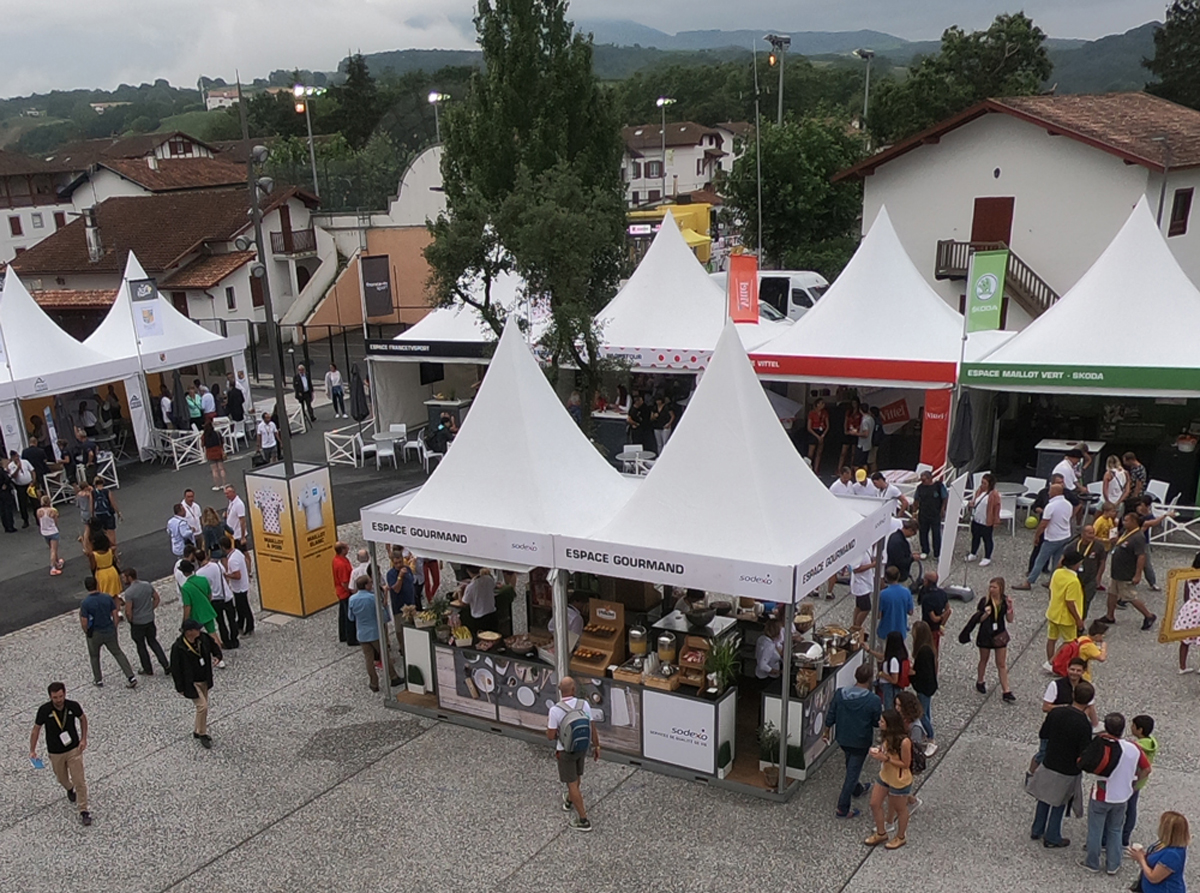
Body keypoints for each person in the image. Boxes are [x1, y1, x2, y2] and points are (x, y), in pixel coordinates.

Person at [1028, 680, 1095, 849]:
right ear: (1089, 701)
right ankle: (1052, 836)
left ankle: (1037, 829)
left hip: (1050, 761)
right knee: (1059, 802)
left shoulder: (1056, 713)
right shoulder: (1084, 724)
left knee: (1043, 797)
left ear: (1073, 695)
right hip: (1068, 769)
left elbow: (1043, 734)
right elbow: (1084, 751)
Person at [1083, 712, 1151, 875]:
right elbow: (1147, 768)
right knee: (1115, 829)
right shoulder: (1134, 747)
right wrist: (1134, 783)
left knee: (1095, 829)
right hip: (1123, 796)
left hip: (1102, 793)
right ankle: (1113, 864)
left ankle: (1092, 862)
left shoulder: (1103, 745)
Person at [824, 662, 883, 818]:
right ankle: (842, 808)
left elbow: (831, 714)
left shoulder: (840, 694)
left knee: (851, 764)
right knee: (852, 773)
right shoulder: (873, 700)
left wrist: (826, 730)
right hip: (860, 741)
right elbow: (877, 721)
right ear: (870, 679)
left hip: (843, 738)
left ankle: (858, 789)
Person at [29, 682, 92, 826]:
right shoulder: (44, 710)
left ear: (65, 694)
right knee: (61, 778)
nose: (58, 700)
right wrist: (32, 750)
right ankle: (69, 788)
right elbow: (36, 730)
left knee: (79, 781)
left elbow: (83, 718)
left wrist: (83, 738)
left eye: (61, 696)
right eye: (55, 697)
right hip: (55, 752)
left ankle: (84, 810)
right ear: (50, 697)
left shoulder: (73, 706)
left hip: (73, 749)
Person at [546, 676, 599, 833]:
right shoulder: (584, 705)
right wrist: (596, 745)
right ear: (574, 689)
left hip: (565, 750)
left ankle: (583, 820)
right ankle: (569, 799)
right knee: (576, 777)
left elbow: (550, 736)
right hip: (581, 747)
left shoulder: (555, 710)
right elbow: (592, 727)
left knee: (571, 783)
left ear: (560, 691)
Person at [864, 709, 913, 850]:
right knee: (874, 803)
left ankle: (901, 836)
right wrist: (879, 752)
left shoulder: (904, 741)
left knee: (900, 809)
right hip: (885, 775)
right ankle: (881, 833)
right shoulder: (887, 736)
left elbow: (905, 764)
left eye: (882, 721)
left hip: (899, 780)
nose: (880, 723)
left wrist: (886, 758)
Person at [961, 577, 1014, 701]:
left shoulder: (1004, 601)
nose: (992, 589)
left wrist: (1011, 607)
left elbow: (1010, 619)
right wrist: (986, 614)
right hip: (985, 634)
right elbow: (978, 620)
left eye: (994, 587)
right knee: (983, 659)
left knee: (1001, 663)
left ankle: (1006, 690)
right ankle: (980, 681)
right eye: (990, 587)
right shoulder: (985, 601)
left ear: (1001, 588)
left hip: (999, 634)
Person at [79, 576, 137, 689]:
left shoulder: (85, 603)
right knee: (117, 653)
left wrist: (87, 632)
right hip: (109, 629)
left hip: (95, 632)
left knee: (94, 656)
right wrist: (114, 627)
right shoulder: (107, 598)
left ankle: (98, 679)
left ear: (86, 587)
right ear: (97, 584)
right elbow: (115, 613)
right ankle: (130, 676)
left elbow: (84, 621)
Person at [1102, 511, 1156, 629]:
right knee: (1112, 593)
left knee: (1130, 596)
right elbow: (1122, 543)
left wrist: (1138, 574)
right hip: (1117, 571)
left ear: (1134, 522)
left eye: (1126, 520)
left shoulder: (1138, 537)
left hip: (1126, 572)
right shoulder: (1126, 532)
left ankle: (1148, 615)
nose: (1123, 522)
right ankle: (1109, 616)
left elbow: (1141, 556)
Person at [1016, 483, 1073, 590]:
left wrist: (1037, 536)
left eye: (1050, 490)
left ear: (1056, 492)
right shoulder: (1068, 504)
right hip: (1065, 535)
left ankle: (1029, 582)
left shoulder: (1050, 506)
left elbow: (1043, 524)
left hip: (1052, 537)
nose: (1048, 492)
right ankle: (1053, 581)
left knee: (1040, 560)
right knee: (1057, 561)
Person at [348, 577, 401, 692]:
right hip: (375, 633)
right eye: (370, 583)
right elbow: (382, 615)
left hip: (362, 634)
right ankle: (393, 677)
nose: (372, 585)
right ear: (366, 585)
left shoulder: (352, 599)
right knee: (384, 655)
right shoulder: (372, 598)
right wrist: (386, 612)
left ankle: (374, 683)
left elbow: (351, 617)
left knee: (368, 659)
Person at [170, 619, 216, 749]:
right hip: (191, 683)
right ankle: (202, 733)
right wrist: (179, 687)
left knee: (202, 708)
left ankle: (197, 730)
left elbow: (213, 646)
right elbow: (175, 669)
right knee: (203, 706)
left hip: (204, 679)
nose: (199, 631)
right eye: (196, 629)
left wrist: (217, 655)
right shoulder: (178, 647)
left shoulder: (203, 639)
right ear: (189, 632)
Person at [120, 568, 169, 677]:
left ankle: (148, 669)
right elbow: (156, 598)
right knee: (153, 642)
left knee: (141, 645)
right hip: (149, 619)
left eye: (124, 577)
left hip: (138, 623)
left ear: (129, 577)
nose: (123, 580)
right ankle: (165, 664)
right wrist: (150, 609)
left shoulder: (129, 592)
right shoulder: (147, 585)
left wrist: (131, 620)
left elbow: (128, 611)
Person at [1044, 548, 1086, 670]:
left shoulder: (1057, 573)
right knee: (1069, 641)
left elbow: (1051, 591)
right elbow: (1070, 602)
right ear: (1075, 564)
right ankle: (1051, 663)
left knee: (1051, 639)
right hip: (1066, 617)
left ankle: (1050, 659)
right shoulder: (1073, 581)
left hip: (1053, 611)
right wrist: (1078, 620)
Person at [1128, 811, 1189, 892]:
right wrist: (1144, 855)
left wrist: (1141, 859)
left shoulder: (1172, 855)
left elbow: (1153, 878)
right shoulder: (1166, 843)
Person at [1123, 714, 1158, 849]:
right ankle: (1125, 838)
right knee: (1131, 809)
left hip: (1133, 781)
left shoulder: (1137, 747)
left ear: (1140, 730)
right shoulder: (1151, 742)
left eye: (1133, 726)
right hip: (1140, 783)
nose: (1131, 727)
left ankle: (1122, 839)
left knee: (1126, 810)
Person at [178, 560, 223, 653]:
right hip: (207, 610)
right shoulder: (203, 579)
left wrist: (185, 621)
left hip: (196, 615)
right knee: (212, 633)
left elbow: (187, 606)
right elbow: (209, 595)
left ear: (183, 572)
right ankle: (218, 655)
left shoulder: (185, 587)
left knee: (195, 636)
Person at [198, 550, 238, 650]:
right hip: (226, 596)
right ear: (206, 555)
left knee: (221, 622)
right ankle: (234, 639)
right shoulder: (216, 565)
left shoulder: (199, 573)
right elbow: (225, 574)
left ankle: (226, 641)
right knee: (231, 619)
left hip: (214, 599)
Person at [910, 621, 938, 754]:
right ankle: (926, 733)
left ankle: (931, 738)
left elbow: (923, 672)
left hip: (924, 687)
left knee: (921, 713)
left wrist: (913, 673)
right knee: (925, 711)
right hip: (928, 686)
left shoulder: (923, 651)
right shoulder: (928, 648)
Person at [1136, 495, 1173, 592]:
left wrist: (1165, 515)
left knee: (1146, 563)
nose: (1140, 506)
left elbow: (1152, 522)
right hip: (1136, 540)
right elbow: (1152, 523)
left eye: (1141, 504)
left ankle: (1152, 582)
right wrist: (1165, 515)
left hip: (1144, 541)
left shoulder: (1148, 515)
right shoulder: (1136, 513)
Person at [220, 537, 253, 637]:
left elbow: (237, 576)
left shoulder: (232, 560)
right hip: (243, 585)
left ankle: (249, 628)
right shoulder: (237, 553)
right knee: (240, 608)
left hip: (239, 588)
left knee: (244, 608)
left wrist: (227, 575)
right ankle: (240, 624)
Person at [967, 472, 1001, 567]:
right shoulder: (979, 491)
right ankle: (973, 553)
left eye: (984, 483)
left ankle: (987, 557)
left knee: (987, 539)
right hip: (976, 518)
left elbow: (996, 508)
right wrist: (971, 504)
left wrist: (995, 520)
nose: (982, 485)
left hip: (986, 521)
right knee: (975, 537)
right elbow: (974, 500)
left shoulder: (994, 495)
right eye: (982, 482)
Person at [385, 550, 416, 652]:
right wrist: (400, 577)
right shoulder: (391, 574)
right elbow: (396, 589)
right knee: (400, 629)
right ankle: (402, 648)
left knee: (412, 627)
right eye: (396, 563)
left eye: (400, 562)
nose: (399, 565)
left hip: (411, 604)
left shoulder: (407, 569)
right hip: (399, 606)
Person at [912, 470, 947, 560]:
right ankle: (925, 550)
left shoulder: (938, 486)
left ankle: (937, 553)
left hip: (935, 513)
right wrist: (914, 512)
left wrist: (943, 509)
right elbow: (916, 500)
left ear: (930, 478)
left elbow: (945, 497)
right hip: (923, 513)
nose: (922, 482)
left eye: (924, 480)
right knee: (923, 533)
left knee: (936, 533)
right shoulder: (920, 488)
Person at [1176, 553, 1200, 673]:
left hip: (1191, 607)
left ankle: (1182, 666)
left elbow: (1186, 595)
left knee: (1185, 640)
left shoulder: (1190, 576)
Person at [916, 572, 951, 655]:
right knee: (935, 652)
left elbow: (934, 618)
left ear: (927, 581)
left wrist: (941, 617)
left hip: (927, 629)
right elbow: (948, 610)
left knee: (926, 652)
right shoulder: (942, 593)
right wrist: (942, 625)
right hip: (936, 629)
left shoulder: (927, 598)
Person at [1074, 524, 1104, 619]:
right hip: (1075, 579)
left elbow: (1102, 562)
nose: (1092, 535)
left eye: (1093, 533)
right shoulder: (1074, 545)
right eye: (1089, 533)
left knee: (1086, 602)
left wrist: (1098, 577)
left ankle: (1081, 622)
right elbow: (1062, 560)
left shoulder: (1098, 546)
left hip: (1090, 580)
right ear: (1082, 534)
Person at [876, 566, 913, 642]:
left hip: (885, 631)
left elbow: (878, 615)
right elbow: (910, 612)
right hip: (901, 631)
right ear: (898, 576)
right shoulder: (906, 592)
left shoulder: (883, 594)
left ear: (886, 577)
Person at [876, 630, 910, 712]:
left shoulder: (893, 661)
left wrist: (882, 674)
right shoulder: (898, 655)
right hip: (889, 688)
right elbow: (883, 656)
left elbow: (894, 680)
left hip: (889, 688)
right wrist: (869, 650)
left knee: (889, 709)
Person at [460, 565, 497, 634]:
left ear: (468, 571)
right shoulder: (488, 579)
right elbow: (494, 586)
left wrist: (459, 592)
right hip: (492, 615)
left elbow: (464, 603)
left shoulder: (471, 586)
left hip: (479, 619)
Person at [754, 617, 784, 692]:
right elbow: (762, 665)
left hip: (760, 675)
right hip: (768, 679)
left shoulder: (762, 638)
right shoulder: (769, 646)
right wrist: (779, 672)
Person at [36, 495, 64, 576]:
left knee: (52, 548)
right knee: (53, 550)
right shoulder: (53, 511)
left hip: (44, 532)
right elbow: (55, 522)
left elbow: (39, 521)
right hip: (53, 531)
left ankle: (57, 562)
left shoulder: (38, 511)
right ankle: (52, 568)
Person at [849, 549, 876, 631]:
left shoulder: (867, 549)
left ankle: (855, 625)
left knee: (859, 607)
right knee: (866, 608)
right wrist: (872, 565)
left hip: (865, 583)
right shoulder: (858, 553)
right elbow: (856, 569)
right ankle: (857, 627)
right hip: (860, 584)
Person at [88, 477, 119, 547]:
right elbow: (112, 503)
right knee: (111, 532)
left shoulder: (92, 493)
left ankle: (107, 549)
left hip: (98, 515)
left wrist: (92, 515)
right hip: (108, 514)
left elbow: (91, 505)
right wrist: (118, 512)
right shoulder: (107, 491)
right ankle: (114, 551)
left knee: (104, 533)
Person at [8, 448, 36, 526]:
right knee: (23, 503)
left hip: (29, 484)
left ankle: (38, 518)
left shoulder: (25, 462)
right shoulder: (11, 466)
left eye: (17, 456)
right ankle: (25, 520)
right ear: (12, 458)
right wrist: (18, 468)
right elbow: (13, 476)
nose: (17, 458)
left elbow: (32, 470)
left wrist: (33, 481)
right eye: (15, 457)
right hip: (20, 486)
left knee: (34, 501)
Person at [201, 420, 226, 491]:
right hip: (218, 451)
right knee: (221, 469)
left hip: (210, 453)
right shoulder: (217, 433)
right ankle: (224, 484)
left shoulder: (204, 436)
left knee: (214, 470)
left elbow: (203, 445)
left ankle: (217, 485)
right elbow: (222, 442)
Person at [806, 397, 829, 472]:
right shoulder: (812, 413)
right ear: (817, 404)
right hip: (813, 432)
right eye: (821, 403)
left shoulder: (824, 413)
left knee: (819, 452)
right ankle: (809, 468)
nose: (823, 405)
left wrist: (823, 435)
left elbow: (828, 425)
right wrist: (817, 436)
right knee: (811, 453)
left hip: (822, 432)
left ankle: (816, 470)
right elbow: (809, 427)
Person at [840, 397, 863, 471]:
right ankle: (839, 468)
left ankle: (851, 469)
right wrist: (845, 430)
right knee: (843, 453)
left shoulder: (860, 413)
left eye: (855, 403)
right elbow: (845, 422)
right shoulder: (849, 412)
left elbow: (862, 423)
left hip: (855, 434)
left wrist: (857, 431)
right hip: (848, 433)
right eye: (853, 403)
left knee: (853, 453)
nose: (854, 405)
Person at [223, 485, 247, 549]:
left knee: (244, 552)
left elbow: (242, 521)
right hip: (232, 534)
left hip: (238, 535)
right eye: (225, 493)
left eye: (227, 493)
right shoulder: (230, 501)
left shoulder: (239, 504)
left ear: (233, 492)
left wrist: (243, 537)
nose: (226, 495)